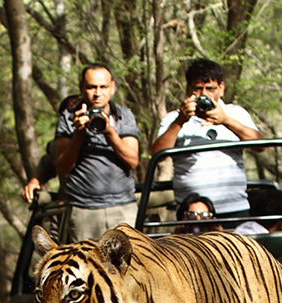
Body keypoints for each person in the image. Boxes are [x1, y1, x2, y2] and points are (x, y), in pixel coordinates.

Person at [150, 58, 262, 223]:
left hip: (234, 208)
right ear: (188, 89)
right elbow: (157, 154)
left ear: (221, 88)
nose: (204, 95)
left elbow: (261, 145)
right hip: (192, 214)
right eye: (198, 89)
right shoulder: (174, 118)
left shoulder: (235, 113)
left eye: (210, 89)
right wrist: (180, 121)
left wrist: (226, 120)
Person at [55, 64, 140, 241]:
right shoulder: (68, 118)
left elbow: (133, 160)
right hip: (83, 210)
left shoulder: (124, 116)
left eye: (103, 87)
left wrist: (109, 131)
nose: (97, 93)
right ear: (81, 88)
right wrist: (79, 133)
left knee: (128, 266)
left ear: (113, 88)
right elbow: (62, 168)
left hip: (123, 207)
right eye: (91, 87)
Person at [21, 95, 82, 204]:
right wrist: (34, 183)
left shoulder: (108, 139)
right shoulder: (56, 146)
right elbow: (46, 166)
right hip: (69, 207)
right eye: (68, 118)